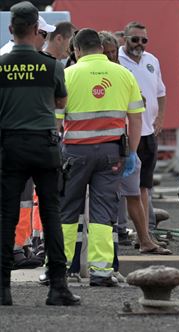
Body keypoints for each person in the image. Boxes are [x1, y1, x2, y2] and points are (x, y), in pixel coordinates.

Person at [0, 1, 80, 306]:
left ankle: (3, 289)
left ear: (11, 30)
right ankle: (57, 287)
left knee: (6, 217)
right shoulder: (52, 66)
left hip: (10, 147)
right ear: (36, 29)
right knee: (51, 215)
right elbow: (61, 103)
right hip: (44, 147)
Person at [56, 28, 144, 287]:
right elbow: (136, 118)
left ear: (77, 49)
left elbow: (56, 120)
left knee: (67, 209)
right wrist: (131, 152)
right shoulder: (123, 74)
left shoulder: (67, 74)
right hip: (112, 154)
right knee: (104, 211)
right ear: (99, 47)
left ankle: (58, 269)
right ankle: (102, 271)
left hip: (74, 153)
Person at [100, 30, 170, 255]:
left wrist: (132, 149)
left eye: (112, 52)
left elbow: (141, 106)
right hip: (104, 143)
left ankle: (145, 237)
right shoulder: (117, 70)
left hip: (129, 139)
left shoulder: (128, 71)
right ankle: (116, 237)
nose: (111, 56)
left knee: (138, 190)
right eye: (107, 52)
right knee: (107, 196)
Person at [118, 21, 166, 247]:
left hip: (148, 132)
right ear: (124, 38)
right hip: (125, 133)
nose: (139, 44)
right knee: (124, 186)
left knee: (144, 186)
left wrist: (160, 117)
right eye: (135, 39)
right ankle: (120, 230)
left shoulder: (152, 60)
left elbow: (161, 92)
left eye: (144, 40)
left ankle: (143, 233)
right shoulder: (116, 60)